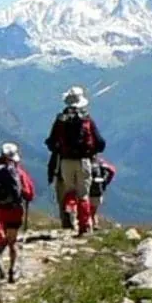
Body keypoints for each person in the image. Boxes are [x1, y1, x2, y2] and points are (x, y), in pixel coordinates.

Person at [45, 86, 106, 235]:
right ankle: (84, 226)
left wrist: (59, 150)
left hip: (65, 161)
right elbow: (100, 142)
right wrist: (91, 152)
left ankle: (70, 219)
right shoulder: (87, 119)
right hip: (84, 161)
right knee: (83, 194)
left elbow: (51, 142)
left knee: (69, 191)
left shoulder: (61, 120)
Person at [0, 142, 36, 281]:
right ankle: (13, 270)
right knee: (12, 242)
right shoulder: (18, 172)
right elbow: (29, 193)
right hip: (14, 211)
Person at [87, 158, 118, 225]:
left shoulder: (84, 161)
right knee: (93, 211)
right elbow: (112, 170)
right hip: (98, 190)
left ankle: (90, 224)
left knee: (87, 210)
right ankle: (94, 224)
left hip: (87, 190)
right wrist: (106, 182)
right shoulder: (100, 162)